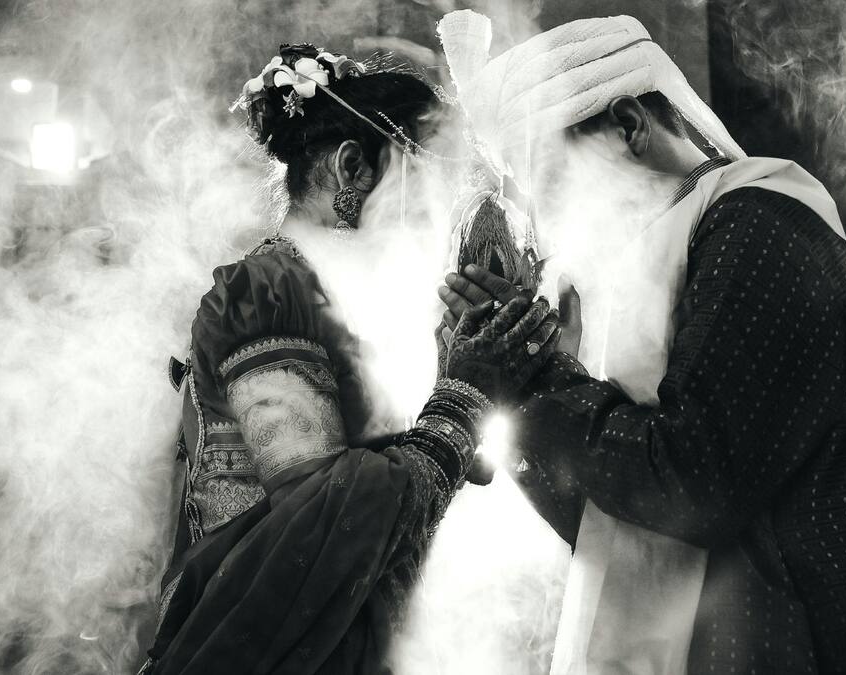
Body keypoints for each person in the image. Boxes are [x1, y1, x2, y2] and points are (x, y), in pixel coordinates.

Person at [436, 12, 846, 674]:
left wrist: (536, 377)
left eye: (551, 182)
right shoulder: (653, 271)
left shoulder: (758, 225)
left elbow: (691, 484)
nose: (547, 226)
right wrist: (511, 387)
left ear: (628, 125)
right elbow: (613, 523)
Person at [139, 43, 559, 674]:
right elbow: (323, 522)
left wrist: (484, 381)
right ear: (352, 166)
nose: (437, 219)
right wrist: (461, 398)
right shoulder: (265, 292)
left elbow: (417, 467)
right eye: (427, 187)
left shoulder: (354, 297)